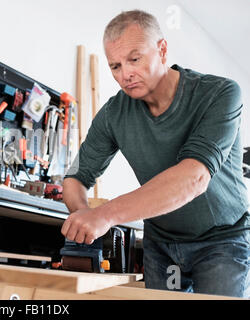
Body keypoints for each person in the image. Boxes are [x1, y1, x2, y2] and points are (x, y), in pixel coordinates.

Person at [61, 9, 249, 298]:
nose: (125, 74)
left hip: (221, 241)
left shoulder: (220, 94)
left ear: (162, 50)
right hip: (163, 246)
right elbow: (75, 177)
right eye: (115, 66)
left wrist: (105, 215)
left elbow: (194, 178)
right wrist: (84, 216)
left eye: (134, 59)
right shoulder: (113, 114)